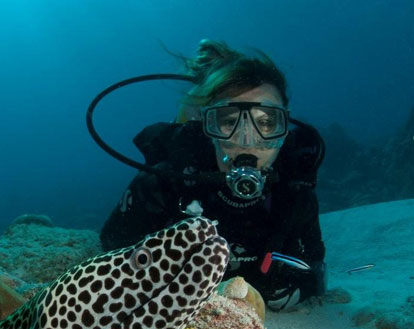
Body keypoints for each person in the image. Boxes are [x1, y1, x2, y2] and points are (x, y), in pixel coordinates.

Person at [100, 40, 326, 311]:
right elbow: (111, 247)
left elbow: (315, 268)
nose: (246, 140)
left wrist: (296, 287)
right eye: (229, 121)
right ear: (208, 127)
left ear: (284, 128)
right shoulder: (165, 182)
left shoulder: (295, 190)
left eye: (266, 122)